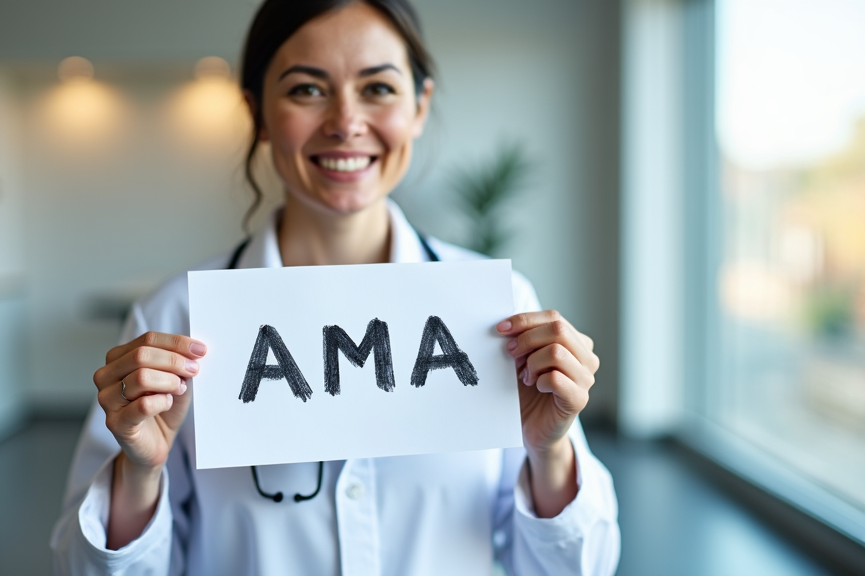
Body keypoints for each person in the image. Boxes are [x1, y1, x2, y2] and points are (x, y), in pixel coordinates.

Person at [51, 0, 621, 574]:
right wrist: (140, 472)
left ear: (419, 107)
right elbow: (85, 568)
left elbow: (575, 568)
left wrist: (550, 452)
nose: (346, 122)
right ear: (258, 113)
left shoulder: (498, 311)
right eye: (306, 90)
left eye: (378, 89)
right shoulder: (176, 316)